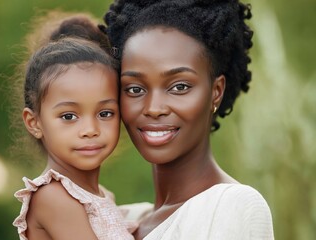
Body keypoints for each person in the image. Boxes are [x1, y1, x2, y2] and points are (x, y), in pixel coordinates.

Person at [102, 0, 274, 239]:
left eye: (179, 86)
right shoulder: (122, 220)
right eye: (134, 89)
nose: (153, 108)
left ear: (216, 91)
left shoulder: (231, 206)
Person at [12, 12, 135, 240]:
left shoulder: (99, 197)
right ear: (34, 122)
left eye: (105, 113)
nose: (90, 129)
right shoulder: (53, 197)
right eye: (69, 116)